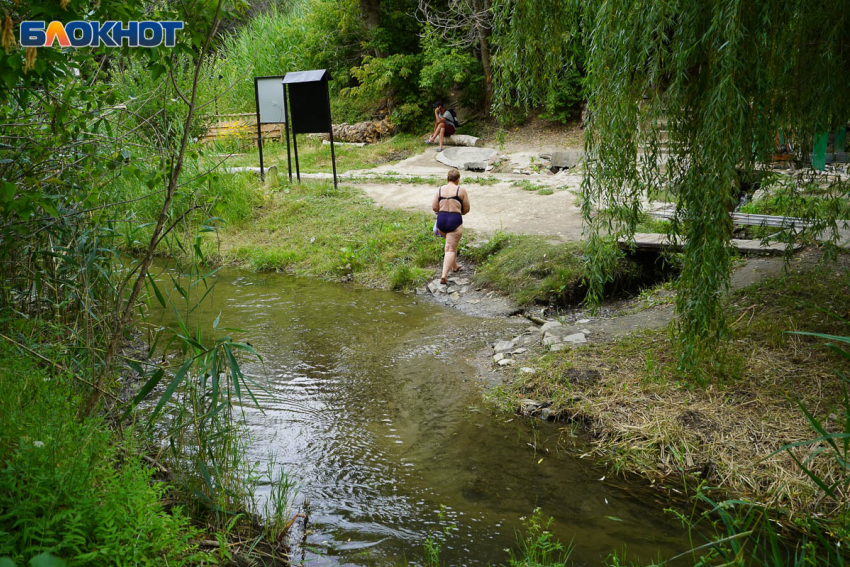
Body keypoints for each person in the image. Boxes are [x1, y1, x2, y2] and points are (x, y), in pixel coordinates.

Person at [431, 168, 470, 284]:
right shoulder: (461, 190)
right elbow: (467, 209)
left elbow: (434, 208)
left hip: (442, 220)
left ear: (447, 179)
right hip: (454, 219)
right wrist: (458, 211)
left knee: (450, 243)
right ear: (458, 180)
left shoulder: (439, 190)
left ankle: (454, 266)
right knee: (450, 248)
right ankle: (444, 275)